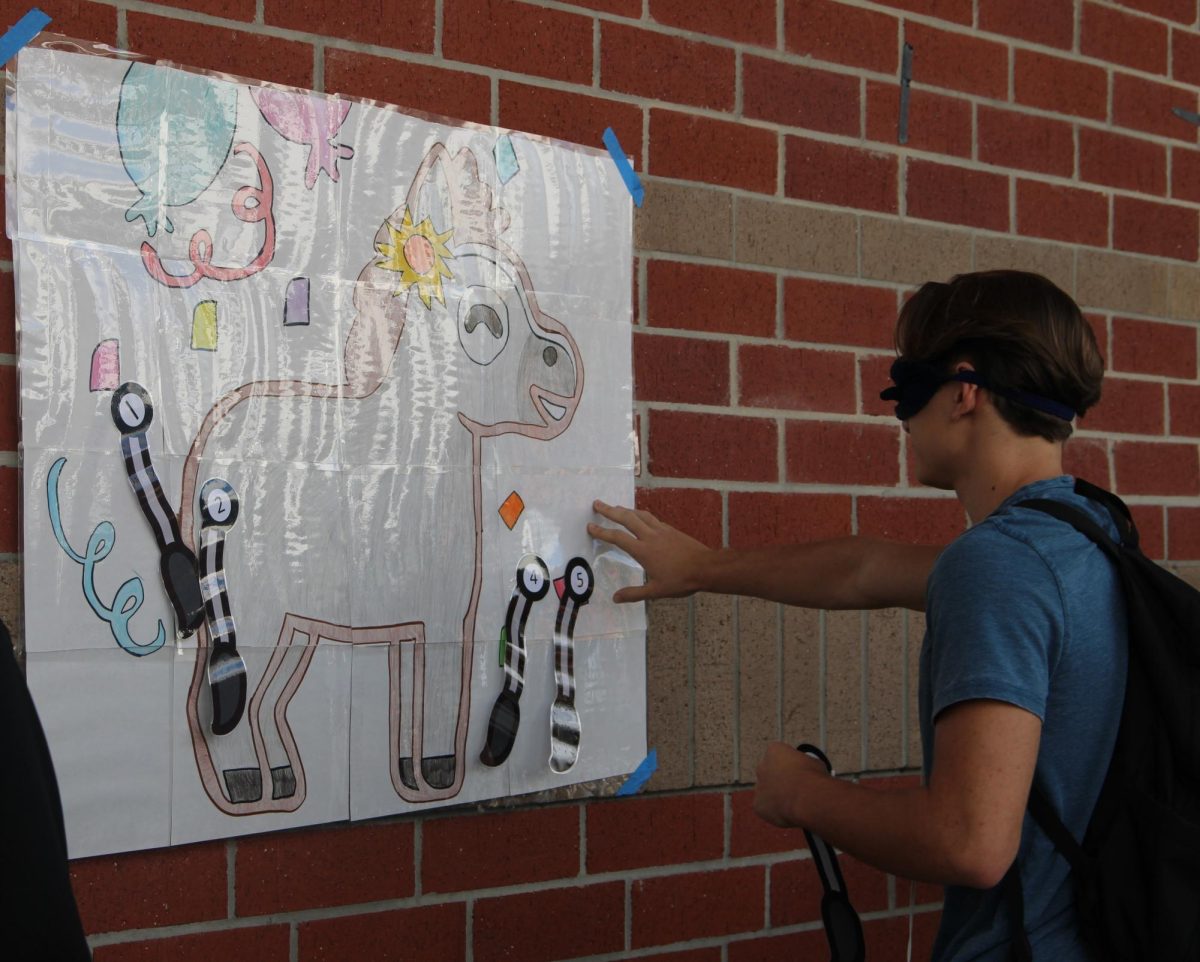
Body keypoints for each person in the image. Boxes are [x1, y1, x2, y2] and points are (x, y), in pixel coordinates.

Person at [590, 270, 1124, 961]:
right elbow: (864, 569)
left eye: (906, 386)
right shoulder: (1083, 533)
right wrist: (702, 568)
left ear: (963, 390)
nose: (899, 416)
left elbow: (971, 842)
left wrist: (802, 795)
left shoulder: (997, 567)